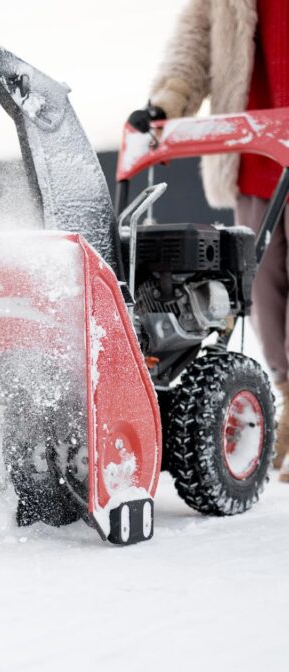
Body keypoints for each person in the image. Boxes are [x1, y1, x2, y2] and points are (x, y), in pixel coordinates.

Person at [130, 0, 289, 480]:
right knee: (260, 289)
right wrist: (168, 100)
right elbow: (197, 38)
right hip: (256, 153)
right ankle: (285, 394)